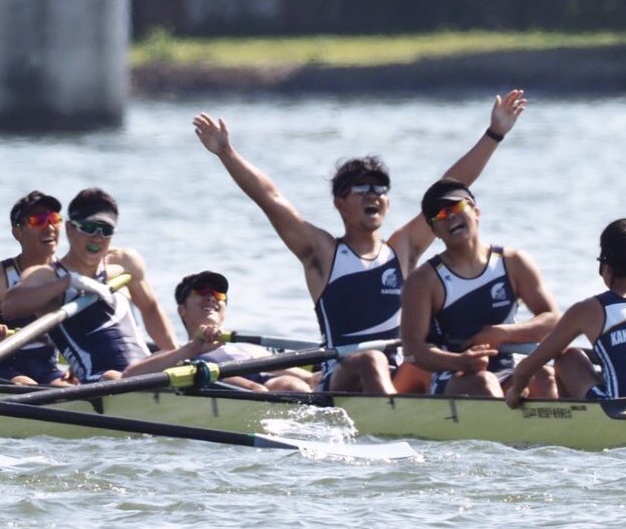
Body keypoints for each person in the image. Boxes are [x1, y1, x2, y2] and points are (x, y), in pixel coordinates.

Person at [193, 90, 528, 393]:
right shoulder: (323, 254)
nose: (373, 195)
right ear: (340, 203)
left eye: (380, 189)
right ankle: (395, 419)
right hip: (341, 375)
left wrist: (494, 134)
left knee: (432, 360)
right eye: (362, 189)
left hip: (398, 373)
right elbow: (271, 199)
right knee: (372, 359)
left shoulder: (402, 250)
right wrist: (226, 152)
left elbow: (450, 187)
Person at [506, 219, 626, 405]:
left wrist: (516, 392)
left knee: (567, 357)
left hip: (618, 411)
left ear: (606, 267)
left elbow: (524, 369)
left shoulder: (588, 310)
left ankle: (573, 422)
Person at [398, 179, 560, 398]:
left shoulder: (514, 262)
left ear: (476, 211)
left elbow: (553, 320)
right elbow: (411, 351)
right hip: (451, 376)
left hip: (505, 370)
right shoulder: (423, 280)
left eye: (457, 207)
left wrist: (500, 334)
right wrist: (459, 361)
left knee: (545, 376)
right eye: (441, 214)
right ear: (433, 229)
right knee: (484, 382)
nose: (451, 217)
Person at [4, 187, 177, 381]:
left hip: (145, 375)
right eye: (89, 228)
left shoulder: (125, 262)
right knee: (112, 377)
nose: (97, 237)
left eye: (106, 230)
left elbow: (151, 308)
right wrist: (70, 281)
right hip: (99, 381)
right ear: (70, 229)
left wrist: (175, 356)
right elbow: (10, 306)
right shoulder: (49, 276)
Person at [124, 271, 314, 393]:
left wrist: (320, 377)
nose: (211, 298)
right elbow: (128, 377)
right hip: (225, 386)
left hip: (267, 385)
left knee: (293, 385)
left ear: (224, 310)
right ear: (182, 310)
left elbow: (310, 379)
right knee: (258, 390)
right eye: (201, 291)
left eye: (218, 294)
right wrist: (193, 348)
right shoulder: (174, 354)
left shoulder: (252, 350)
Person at [0, 191, 69, 386]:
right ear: (17, 232)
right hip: (1, 367)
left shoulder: (67, 275)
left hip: (47, 367)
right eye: (38, 221)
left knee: (66, 387)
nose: (49, 227)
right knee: (27, 385)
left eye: (54, 219)